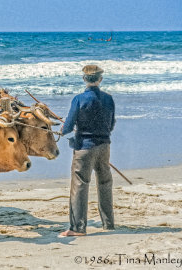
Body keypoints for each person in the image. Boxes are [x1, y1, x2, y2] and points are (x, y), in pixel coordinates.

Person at [59, 65, 115, 237]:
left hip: (85, 147)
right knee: (105, 183)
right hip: (104, 146)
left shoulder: (79, 99)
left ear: (84, 79)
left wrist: (62, 129)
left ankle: (77, 228)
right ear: (100, 79)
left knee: (80, 185)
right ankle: (108, 223)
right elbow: (111, 124)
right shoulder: (108, 99)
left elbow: (67, 127)